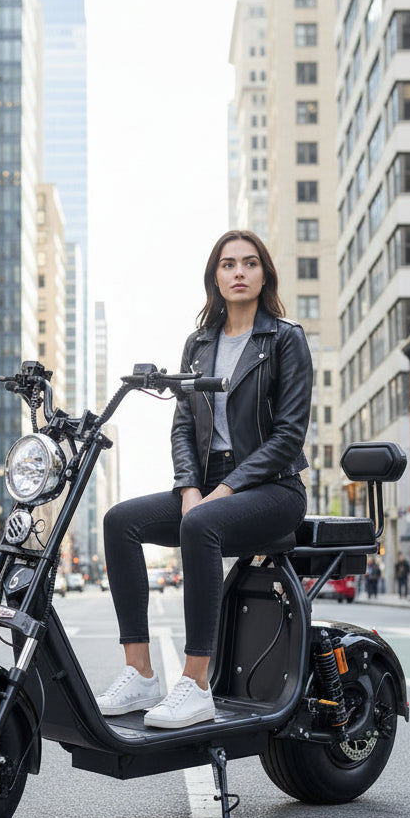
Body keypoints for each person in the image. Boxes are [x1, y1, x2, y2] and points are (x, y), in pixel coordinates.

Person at [96, 230, 312, 729]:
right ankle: (141, 673)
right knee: (119, 521)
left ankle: (195, 685)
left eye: (250, 263)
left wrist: (220, 493)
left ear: (264, 274)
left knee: (201, 525)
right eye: (228, 264)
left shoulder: (284, 338)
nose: (239, 272)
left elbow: (288, 436)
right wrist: (190, 488)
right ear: (214, 276)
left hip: (273, 488)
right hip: (207, 486)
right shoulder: (198, 345)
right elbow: (182, 426)